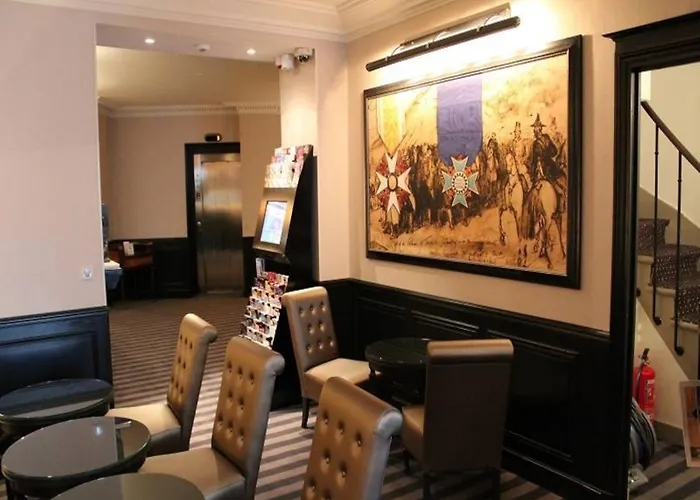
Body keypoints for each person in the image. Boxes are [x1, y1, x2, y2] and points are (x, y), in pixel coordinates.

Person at [529, 114, 566, 211]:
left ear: (540, 128)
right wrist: (532, 172)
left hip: (549, 166)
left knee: (558, 184)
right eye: (535, 127)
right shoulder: (535, 143)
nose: (536, 129)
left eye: (537, 127)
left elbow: (554, 151)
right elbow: (534, 160)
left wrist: (546, 153)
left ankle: (559, 206)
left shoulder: (546, 137)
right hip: (541, 167)